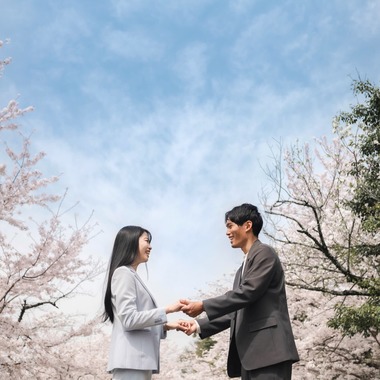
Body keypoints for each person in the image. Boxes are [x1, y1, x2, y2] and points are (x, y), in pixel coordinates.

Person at [180, 203, 299, 380]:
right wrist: (199, 325)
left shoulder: (265, 253)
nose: (227, 233)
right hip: (251, 356)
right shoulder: (241, 269)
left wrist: (204, 305)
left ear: (247, 225)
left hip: (270, 353)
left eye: (230, 226)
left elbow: (248, 292)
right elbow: (237, 310)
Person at [103, 225, 186, 380]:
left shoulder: (130, 275)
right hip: (131, 363)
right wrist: (167, 309)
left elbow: (136, 320)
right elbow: (129, 319)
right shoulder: (123, 274)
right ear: (131, 242)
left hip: (137, 363)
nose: (150, 246)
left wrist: (168, 326)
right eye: (147, 241)